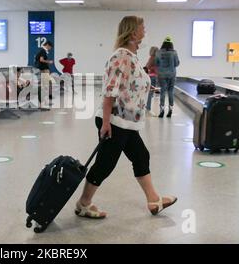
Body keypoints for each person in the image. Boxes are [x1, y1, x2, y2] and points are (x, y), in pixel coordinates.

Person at [75, 16, 177, 219]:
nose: (145, 32)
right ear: (132, 33)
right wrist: (105, 122)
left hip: (127, 122)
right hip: (114, 121)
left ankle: (153, 200)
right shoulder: (121, 56)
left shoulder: (132, 56)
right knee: (105, 164)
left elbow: (131, 84)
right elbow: (109, 90)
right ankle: (83, 204)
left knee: (141, 156)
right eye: (142, 28)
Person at [155, 36, 180, 118]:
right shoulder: (174, 52)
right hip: (172, 74)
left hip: (162, 75)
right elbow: (177, 63)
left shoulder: (158, 52)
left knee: (163, 91)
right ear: (171, 44)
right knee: (170, 91)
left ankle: (161, 110)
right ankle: (170, 110)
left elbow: (156, 63)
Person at [35, 41, 54, 108]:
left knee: (47, 84)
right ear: (48, 45)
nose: (50, 49)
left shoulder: (42, 51)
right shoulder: (43, 51)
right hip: (43, 70)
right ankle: (46, 100)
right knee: (47, 84)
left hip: (43, 69)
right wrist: (49, 61)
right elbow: (41, 60)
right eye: (50, 47)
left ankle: (47, 99)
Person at [145, 46, 159, 115]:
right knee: (150, 94)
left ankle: (147, 108)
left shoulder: (151, 58)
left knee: (150, 94)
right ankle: (148, 109)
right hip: (152, 77)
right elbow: (148, 67)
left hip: (151, 76)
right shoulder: (154, 58)